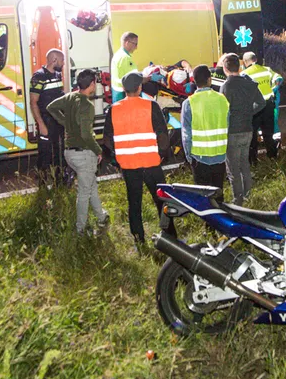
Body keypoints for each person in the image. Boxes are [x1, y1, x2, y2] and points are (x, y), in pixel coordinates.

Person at [103, 71, 177, 245]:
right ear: (139, 87)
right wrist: (162, 155)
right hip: (151, 163)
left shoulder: (113, 109)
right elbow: (162, 135)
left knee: (134, 204)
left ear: (124, 89)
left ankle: (139, 240)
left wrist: (116, 161)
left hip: (129, 166)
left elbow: (107, 140)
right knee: (162, 201)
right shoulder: (150, 106)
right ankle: (170, 238)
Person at [46, 69, 109, 235]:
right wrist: (98, 150)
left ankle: (101, 217)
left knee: (90, 186)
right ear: (92, 84)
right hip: (84, 153)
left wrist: (65, 122)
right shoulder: (87, 105)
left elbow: (50, 107)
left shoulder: (70, 97)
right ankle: (81, 229)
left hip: (70, 153)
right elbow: (86, 134)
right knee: (83, 193)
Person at [220, 53, 265, 205]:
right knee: (244, 163)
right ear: (239, 67)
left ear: (225, 69)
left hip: (232, 130)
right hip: (247, 128)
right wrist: (248, 112)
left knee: (233, 168)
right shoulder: (249, 83)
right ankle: (247, 194)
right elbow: (261, 103)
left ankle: (237, 199)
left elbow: (223, 110)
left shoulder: (226, 86)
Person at [181, 64, 229, 201]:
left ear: (195, 82)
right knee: (218, 192)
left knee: (203, 196)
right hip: (220, 156)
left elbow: (186, 135)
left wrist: (189, 157)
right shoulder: (222, 99)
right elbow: (228, 125)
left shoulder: (189, 103)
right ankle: (220, 220)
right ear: (209, 80)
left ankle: (208, 221)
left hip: (199, 157)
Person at [29, 48, 66, 184]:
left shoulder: (57, 74)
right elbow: (33, 102)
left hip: (58, 120)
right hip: (46, 120)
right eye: (62, 60)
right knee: (45, 154)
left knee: (59, 152)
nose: (63, 64)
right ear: (54, 60)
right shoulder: (38, 77)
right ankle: (43, 184)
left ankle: (59, 181)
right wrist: (41, 124)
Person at [242, 51, 280, 163]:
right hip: (268, 106)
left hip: (255, 108)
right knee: (268, 133)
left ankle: (253, 161)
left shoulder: (244, 74)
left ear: (245, 62)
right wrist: (273, 90)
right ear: (256, 59)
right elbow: (278, 79)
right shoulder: (267, 70)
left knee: (252, 135)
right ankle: (272, 158)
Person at [110, 32, 142, 103]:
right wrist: (149, 77)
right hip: (123, 94)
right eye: (135, 44)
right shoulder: (125, 58)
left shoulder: (118, 54)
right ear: (127, 43)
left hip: (117, 93)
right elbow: (133, 79)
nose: (136, 47)